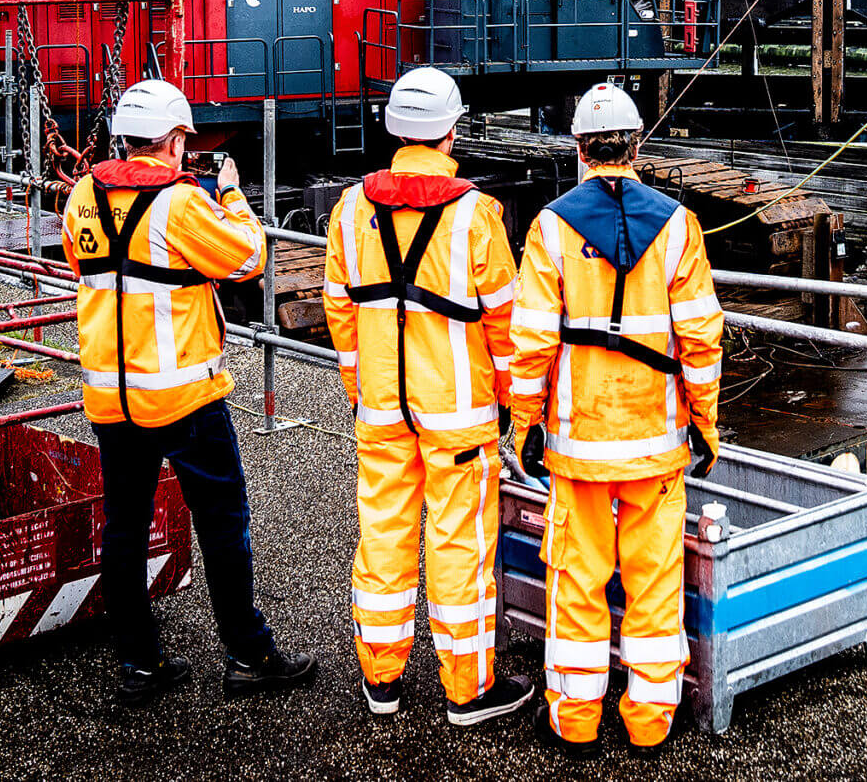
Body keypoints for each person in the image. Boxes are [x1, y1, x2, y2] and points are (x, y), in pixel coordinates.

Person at [61, 78, 317, 706]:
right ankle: (250, 653)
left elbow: (82, 267)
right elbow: (248, 257)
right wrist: (228, 191)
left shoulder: (84, 197)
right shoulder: (183, 203)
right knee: (223, 523)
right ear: (174, 142)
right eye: (184, 142)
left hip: (111, 399)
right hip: (184, 399)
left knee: (124, 527)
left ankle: (140, 663)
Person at [508, 82, 725, 752]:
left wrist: (526, 423)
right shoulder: (679, 225)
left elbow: (533, 340)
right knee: (655, 584)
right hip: (656, 447)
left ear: (578, 147)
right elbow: (702, 338)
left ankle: (574, 720)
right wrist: (705, 424)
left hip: (578, 447)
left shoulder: (550, 226)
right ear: (638, 144)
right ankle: (649, 720)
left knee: (577, 582)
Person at [323, 67, 534, 725]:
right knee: (459, 544)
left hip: (383, 407)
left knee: (382, 537)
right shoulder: (475, 214)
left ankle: (381, 680)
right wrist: (513, 406)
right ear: (451, 130)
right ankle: (467, 688)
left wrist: (363, 392)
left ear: (392, 129)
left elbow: (342, 315)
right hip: (459, 413)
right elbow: (507, 326)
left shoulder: (351, 209)